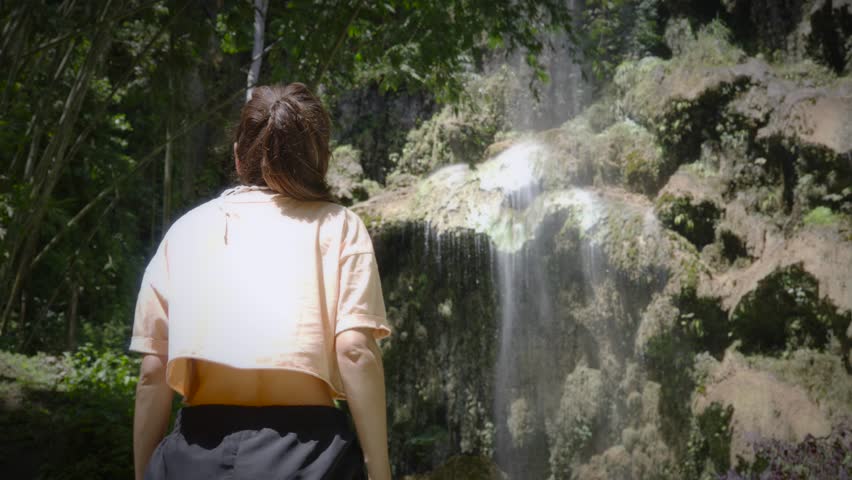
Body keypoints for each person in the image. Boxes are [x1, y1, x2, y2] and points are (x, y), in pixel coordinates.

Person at [130, 83, 392, 480]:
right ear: (319, 158)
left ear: (238, 154)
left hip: (194, 452)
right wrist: (380, 469)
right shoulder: (339, 226)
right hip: (309, 455)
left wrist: (145, 470)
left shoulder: (185, 231)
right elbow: (355, 351)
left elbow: (153, 371)